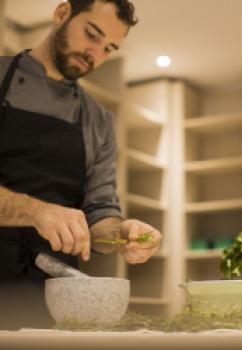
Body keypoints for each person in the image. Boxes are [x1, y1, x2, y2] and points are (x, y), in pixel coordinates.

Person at [0, 0, 162, 329]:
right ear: (62, 14)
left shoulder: (98, 120)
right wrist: (36, 211)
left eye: (108, 49)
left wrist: (121, 234)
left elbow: (100, 213)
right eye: (92, 34)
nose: (95, 54)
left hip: (51, 297)